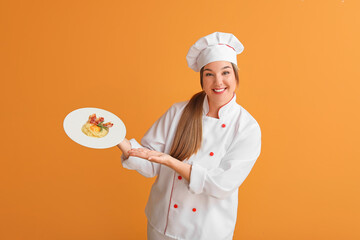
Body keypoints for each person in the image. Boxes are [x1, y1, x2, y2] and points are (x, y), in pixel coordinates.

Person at [117, 32, 262, 240]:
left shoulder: (247, 127)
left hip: (207, 232)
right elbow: (151, 164)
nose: (218, 81)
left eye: (226, 72)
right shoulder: (178, 112)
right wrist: (117, 139)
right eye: (209, 74)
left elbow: (221, 184)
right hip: (161, 226)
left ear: (236, 76)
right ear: (202, 79)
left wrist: (172, 162)